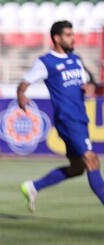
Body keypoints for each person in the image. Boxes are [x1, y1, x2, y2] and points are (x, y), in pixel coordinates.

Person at [17, 20, 104, 212]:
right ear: (57, 38)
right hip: (67, 119)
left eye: (73, 35)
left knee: (77, 168)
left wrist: (91, 85)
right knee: (92, 159)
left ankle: (33, 187)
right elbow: (24, 83)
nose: (73, 38)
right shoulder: (46, 62)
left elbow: (91, 81)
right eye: (68, 35)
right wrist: (21, 96)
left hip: (81, 118)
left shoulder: (76, 60)